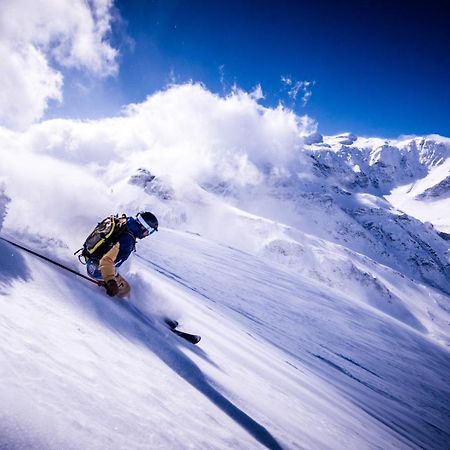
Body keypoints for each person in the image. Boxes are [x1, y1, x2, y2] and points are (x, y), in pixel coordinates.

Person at [86, 211, 158, 297]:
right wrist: (110, 281)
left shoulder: (125, 222)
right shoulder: (127, 241)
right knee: (126, 290)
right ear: (143, 227)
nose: (148, 235)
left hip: (89, 254)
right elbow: (106, 261)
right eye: (150, 231)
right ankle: (104, 298)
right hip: (96, 268)